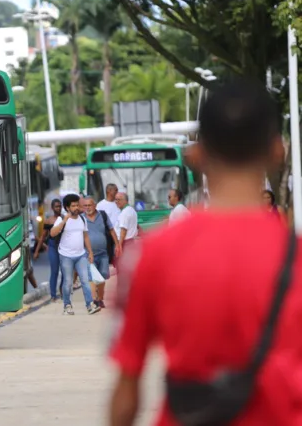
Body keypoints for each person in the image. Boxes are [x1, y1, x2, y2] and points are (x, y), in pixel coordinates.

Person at [107, 78, 301, 426]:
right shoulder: (296, 257)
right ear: (277, 150)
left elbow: (127, 390)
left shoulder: (151, 256)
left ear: (196, 155)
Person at [49, 193, 101, 316]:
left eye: (77, 205)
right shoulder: (61, 219)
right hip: (66, 255)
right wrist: (64, 221)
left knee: (85, 280)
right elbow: (52, 233)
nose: (76, 208)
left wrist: (90, 252)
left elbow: (85, 236)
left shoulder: (82, 219)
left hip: (81, 255)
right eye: (73, 206)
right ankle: (67, 305)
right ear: (67, 207)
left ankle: (90, 305)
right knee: (67, 282)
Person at [81, 196, 121, 308]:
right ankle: (95, 300)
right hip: (88, 253)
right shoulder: (81, 218)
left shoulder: (102, 215)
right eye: (85, 205)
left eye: (90, 205)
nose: (88, 207)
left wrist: (117, 244)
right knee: (92, 277)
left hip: (103, 253)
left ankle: (100, 298)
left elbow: (111, 230)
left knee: (103, 277)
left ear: (95, 205)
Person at [34, 199, 63, 302]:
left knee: (65, 271)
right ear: (52, 208)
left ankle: (62, 289)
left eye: (60, 206)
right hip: (52, 247)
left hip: (64, 248)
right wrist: (37, 251)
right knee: (54, 271)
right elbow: (42, 237)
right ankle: (53, 295)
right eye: (56, 206)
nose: (58, 208)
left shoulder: (65, 219)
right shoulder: (48, 221)